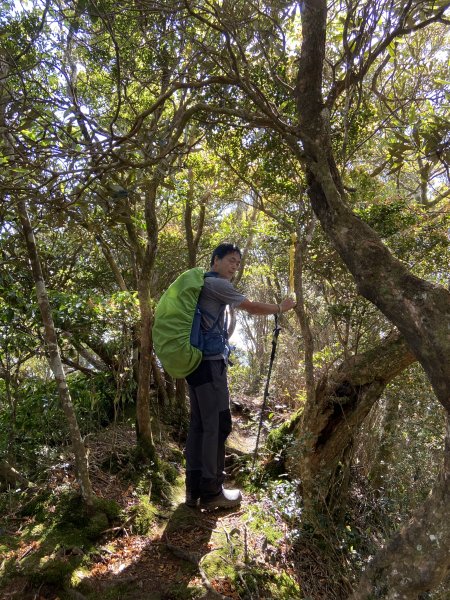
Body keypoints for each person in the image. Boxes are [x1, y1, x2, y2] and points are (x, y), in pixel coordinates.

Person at [184, 243, 296, 509]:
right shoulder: (217, 284)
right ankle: (212, 492)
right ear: (216, 260)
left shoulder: (204, 284)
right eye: (231, 261)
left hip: (196, 363)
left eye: (237, 262)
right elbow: (251, 307)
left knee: (200, 425)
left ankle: (194, 490)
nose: (234, 266)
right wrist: (281, 308)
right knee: (218, 425)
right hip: (210, 366)